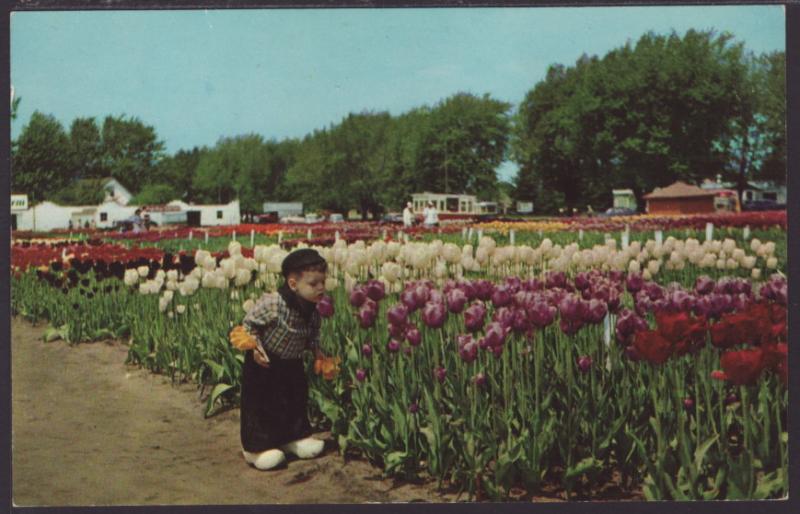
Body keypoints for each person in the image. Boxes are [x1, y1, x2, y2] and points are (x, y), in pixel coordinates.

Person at [239, 248, 330, 470]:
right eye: (313, 284)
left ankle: (294, 438)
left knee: (295, 398)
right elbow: (249, 324)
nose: (320, 288)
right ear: (292, 284)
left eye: (323, 282)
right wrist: (255, 349)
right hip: (264, 364)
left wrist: (319, 355)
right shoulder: (273, 304)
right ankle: (256, 448)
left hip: (292, 363)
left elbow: (312, 336)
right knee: (262, 403)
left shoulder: (314, 312)